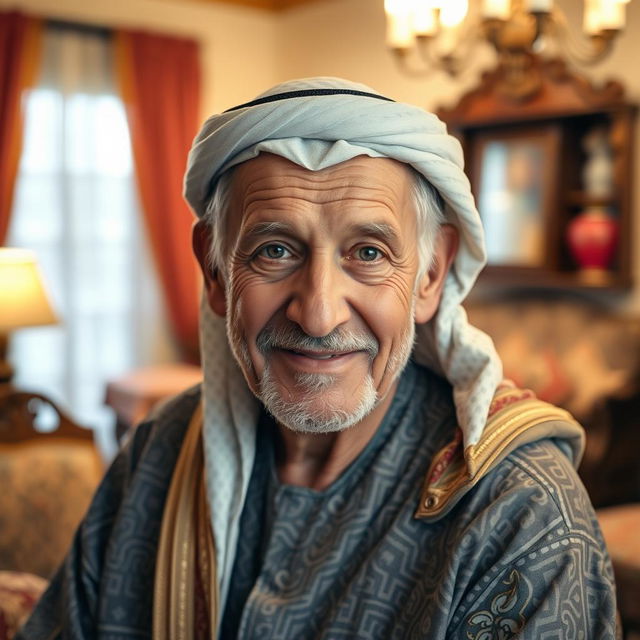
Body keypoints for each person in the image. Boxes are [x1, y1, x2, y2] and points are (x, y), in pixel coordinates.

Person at [19, 77, 617, 639]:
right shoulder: (163, 449)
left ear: (430, 274)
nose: (319, 313)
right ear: (216, 270)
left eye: (368, 252)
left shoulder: (521, 514)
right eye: (275, 249)